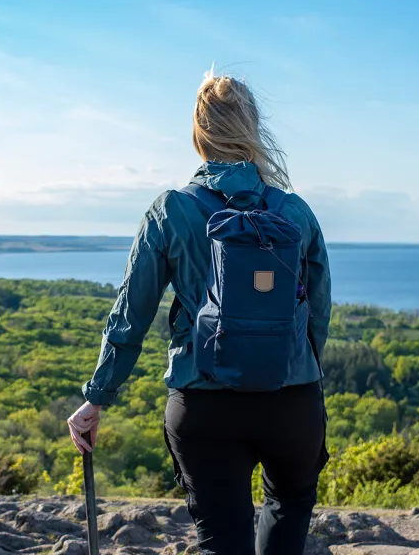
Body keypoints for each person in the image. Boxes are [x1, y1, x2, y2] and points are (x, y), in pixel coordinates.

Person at [67, 71, 332, 555]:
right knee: (288, 512)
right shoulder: (295, 212)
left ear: (199, 134)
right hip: (292, 401)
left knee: (221, 540)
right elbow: (318, 313)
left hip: (204, 404)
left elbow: (132, 312)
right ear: (252, 128)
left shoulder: (171, 210)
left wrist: (96, 397)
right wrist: (300, 375)